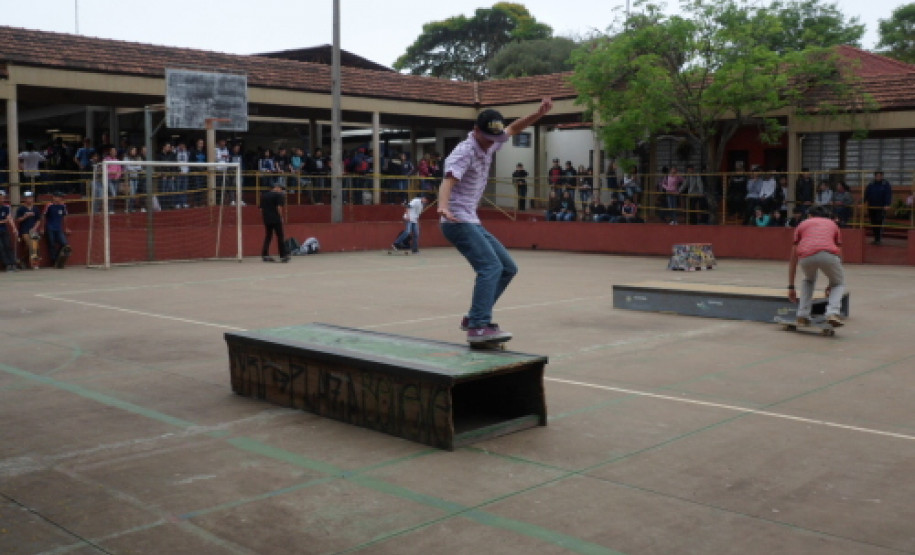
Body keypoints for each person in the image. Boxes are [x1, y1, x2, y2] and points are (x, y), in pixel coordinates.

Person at [437, 98, 553, 343]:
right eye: (488, 137)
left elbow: (513, 128)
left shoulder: (492, 142)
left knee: (508, 268)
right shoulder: (464, 151)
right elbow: (448, 180)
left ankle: (474, 316)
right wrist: (443, 207)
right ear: (476, 130)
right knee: (490, 267)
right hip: (456, 220)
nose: (492, 143)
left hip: (472, 220)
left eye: (495, 138)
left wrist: (537, 114)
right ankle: (478, 326)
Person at [787, 205, 846, 328]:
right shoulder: (833, 225)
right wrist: (831, 283)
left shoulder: (802, 224)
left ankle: (802, 314)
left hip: (806, 256)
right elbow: (839, 253)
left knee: (809, 280)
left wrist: (791, 286)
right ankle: (832, 312)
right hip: (828, 255)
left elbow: (793, 258)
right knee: (839, 283)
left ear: (810, 216)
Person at [260, 182, 289, 263]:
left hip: (267, 219)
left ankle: (265, 254)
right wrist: (281, 217)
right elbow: (279, 207)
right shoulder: (279, 195)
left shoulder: (264, 195)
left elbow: (261, 209)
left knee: (268, 236)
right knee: (280, 236)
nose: (281, 191)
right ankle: (283, 255)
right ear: (278, 188)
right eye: (281, 189)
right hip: (276, 219)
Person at [40, 192, 71, 266]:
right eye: (59, 197)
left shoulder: (63, 206)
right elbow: (43, 216)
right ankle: (54, 260)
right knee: (52, 244)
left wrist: (66, 228)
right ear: (54, 197)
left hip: (58, 228)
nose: (60, 199)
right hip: (50, 227)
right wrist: (42, 228)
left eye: (61, 197)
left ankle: (58, 258)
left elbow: (65, 216)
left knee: (64, 244)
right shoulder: (49, 205)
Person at [863, 170, 892, 244]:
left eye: (880, 175)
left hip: (881, 207)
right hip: (871, 206)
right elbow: (866, 194)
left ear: (882, 176)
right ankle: (876, 238)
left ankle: (878, 239)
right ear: (875, 176)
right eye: (877, 176)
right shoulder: (871, 184)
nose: (878, 177)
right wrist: (863, 202)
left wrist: (887, 204)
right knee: (873, 222)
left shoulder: (885, 184)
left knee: (879, 222)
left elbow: (888, 195)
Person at [15, 190, 42, 267]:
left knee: (34, 246)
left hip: (33, 230)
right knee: (30, 244)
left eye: (31, 198)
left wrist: (34, 228)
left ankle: (23, 260)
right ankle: (32, 262)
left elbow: (38, 220)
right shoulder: (21, 209)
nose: (29, 199)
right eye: (27, 198)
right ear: (24, 199)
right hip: (24, 230)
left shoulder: (35, 209)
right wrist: (25, 216)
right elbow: (18, 220)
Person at [0, 189, 18, 272]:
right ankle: (7, 264)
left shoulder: (6, 207)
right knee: (1, 247)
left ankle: (13, 263)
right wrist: (4, 221)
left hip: (4, 229)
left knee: (8, 246)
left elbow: (9, 218)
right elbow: (5, 220)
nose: (1, 198)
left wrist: (14, 228)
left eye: (2, 197)